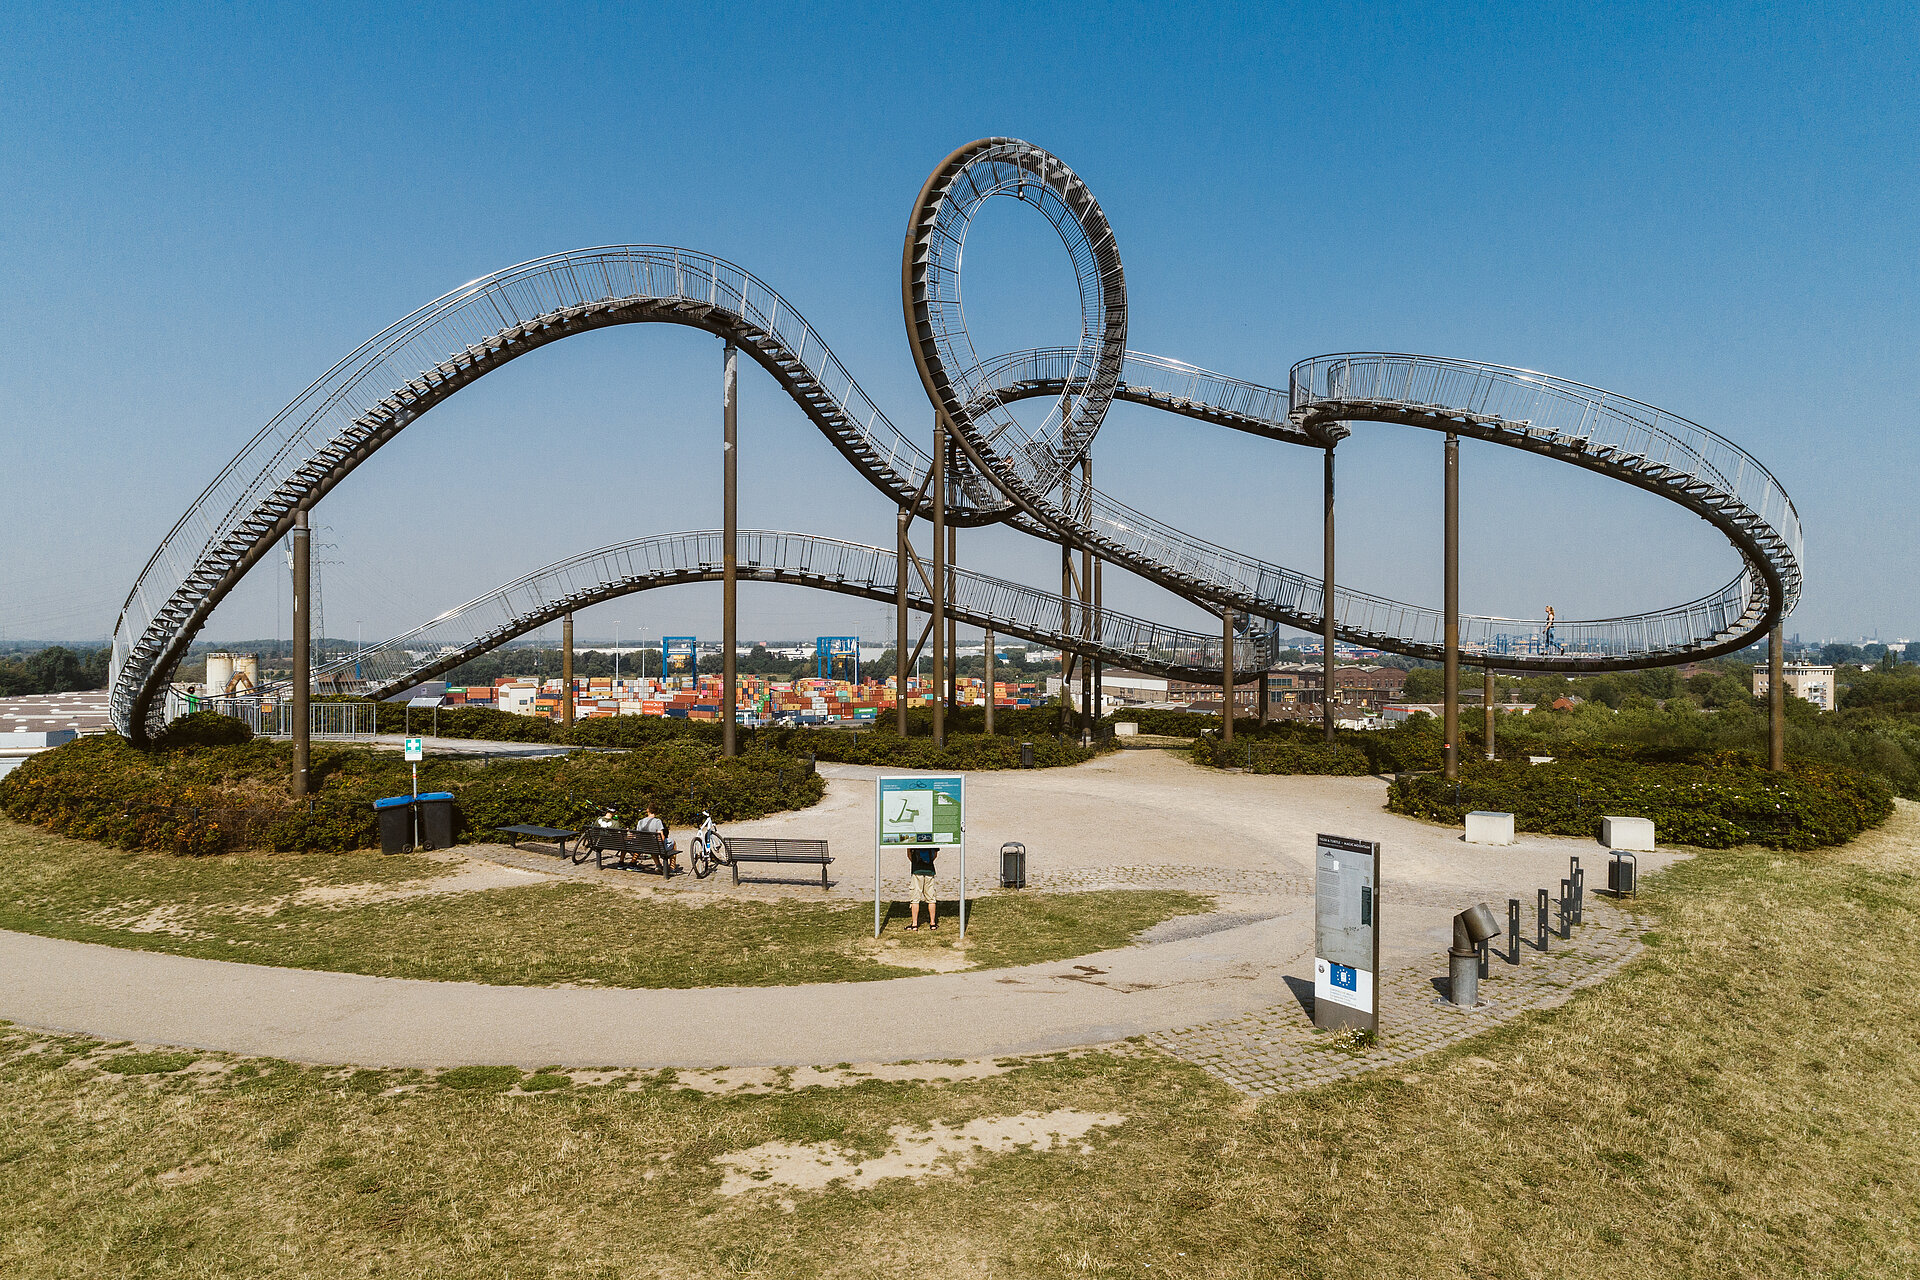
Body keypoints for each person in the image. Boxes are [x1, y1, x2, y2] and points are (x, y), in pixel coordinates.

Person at [636, 804, 678, 873]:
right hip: (655, 847)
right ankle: (672, 867)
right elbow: (662, 837)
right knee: (673, 842)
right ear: (657, 812)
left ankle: (658, 865)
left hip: (643, 846)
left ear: (647, 810)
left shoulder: (640, 822)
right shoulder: (657, 821)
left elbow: (637, 836)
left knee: (653, 845)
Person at [906, 844, 939, 931]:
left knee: (915, 899)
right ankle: (932, 923)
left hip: (917, 870)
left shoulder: (914, 839)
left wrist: (915, 863)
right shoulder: (931, 838)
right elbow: (935, 855)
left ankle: (914, 924)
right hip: (930, 870)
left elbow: (909, 854)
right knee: (931, 898)